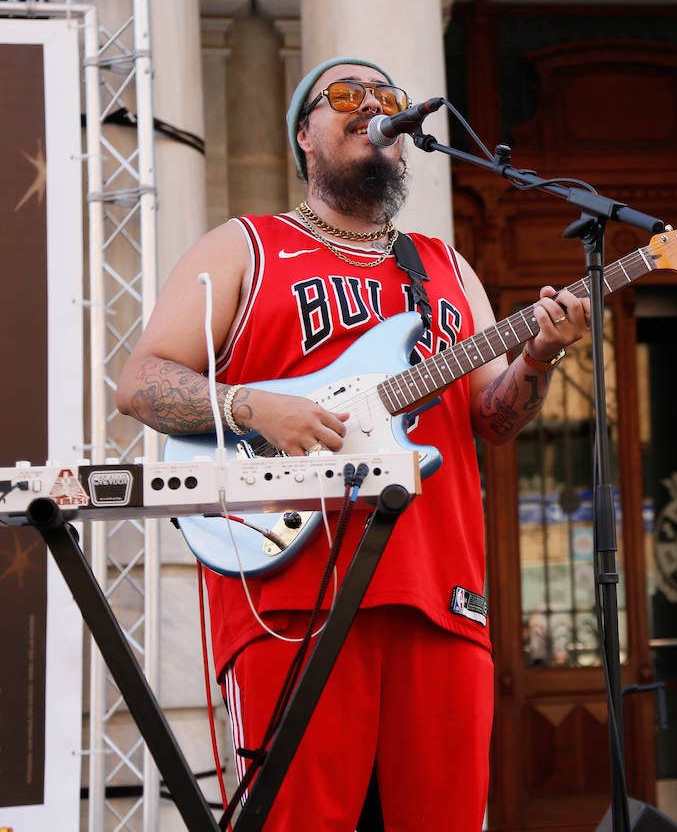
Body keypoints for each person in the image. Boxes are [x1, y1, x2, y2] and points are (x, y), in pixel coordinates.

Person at [115, 57, 591, 830]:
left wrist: (539, 354)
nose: (371, 107)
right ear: (304, 134)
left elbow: (494, 420)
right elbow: (139, 382)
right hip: (289, 592)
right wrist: (251, 406)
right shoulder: (244, 248)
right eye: (345, 96)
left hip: (438, 595)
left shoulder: (444, 268)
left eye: (385, 99)